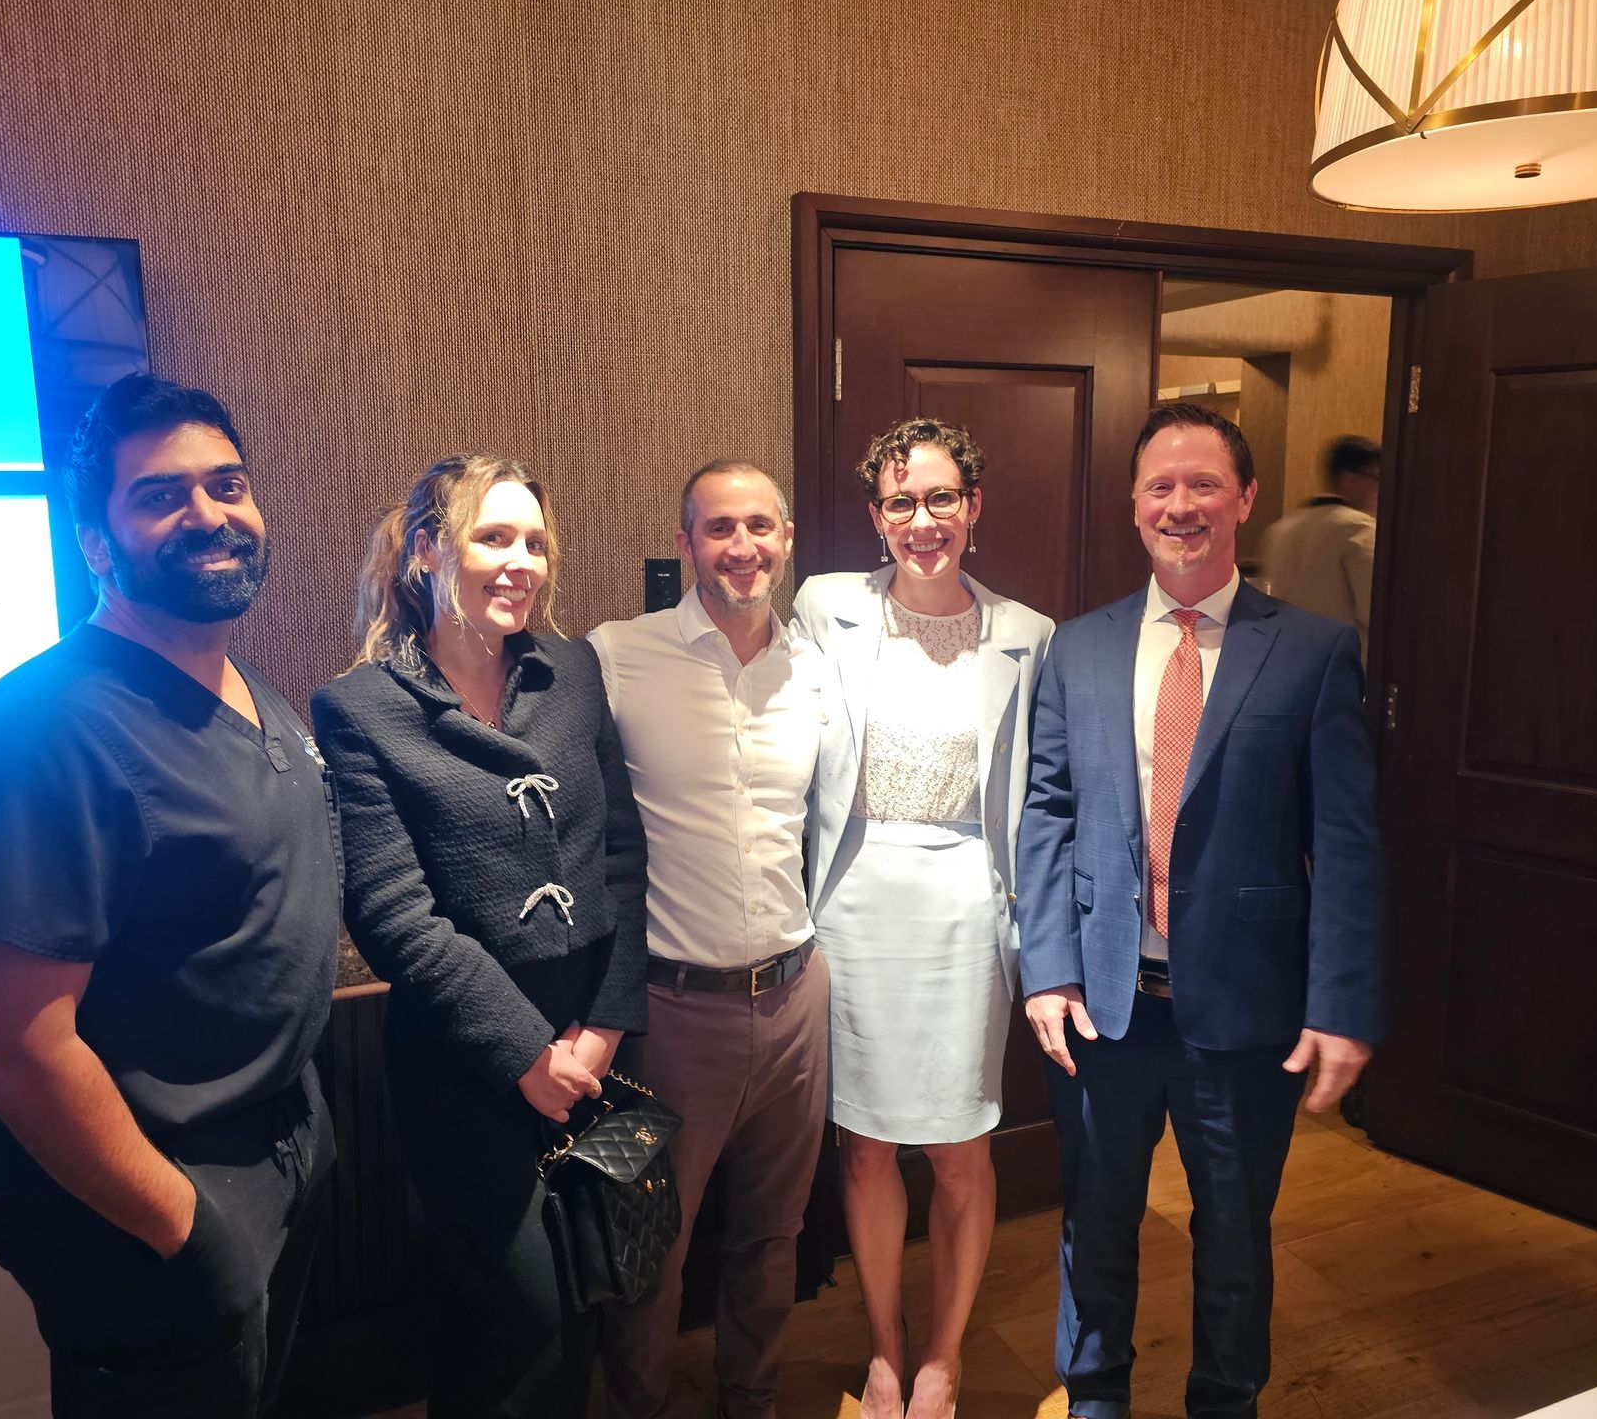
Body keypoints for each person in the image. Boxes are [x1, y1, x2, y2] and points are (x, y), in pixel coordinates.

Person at [0, 373, 340, 1418]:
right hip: (149, 1196)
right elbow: (10, 1045)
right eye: (161, 496)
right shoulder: (41, 733)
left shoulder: (254, 691)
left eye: (228, 485)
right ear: (96, 544)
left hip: (277, 1152)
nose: (208, 514)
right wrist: (183, 1226)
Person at [1016, 402, 1385, 1419]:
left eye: (1203, 484)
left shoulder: (1311, 652)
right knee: (1095, 1226)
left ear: (1245, 499)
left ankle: (1226, 1401)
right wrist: (1044, 968)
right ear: (1134, 506)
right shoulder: (1079, 650)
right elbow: (1046, 812)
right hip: (1104, 1010)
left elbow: (1347, 840)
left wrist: (1343, 1001)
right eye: (1160, 486)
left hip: (1247, 1015)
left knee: (1233, 1239)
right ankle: (1095, 1399)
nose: (1181, 505)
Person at [309, 455, 646, 1418]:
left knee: (588, 1293)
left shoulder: (572, 669)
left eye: (534, 541)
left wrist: (606, 1026)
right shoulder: (362, 707)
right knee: (518, 1308)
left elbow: (624, 855)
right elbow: (391, 913)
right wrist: (525, 1057)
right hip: (467, 1060)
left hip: (595, 1040)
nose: (521, 562)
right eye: (493, 537)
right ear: (428, 551)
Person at [790, 417, 1053, 1419]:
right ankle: (888, 1353)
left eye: (943, 498)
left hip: (964, 915)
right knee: (863, 1145)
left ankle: (945, 1356)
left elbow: (1038, 800)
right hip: (853, 910)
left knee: (959, 1148)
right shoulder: (826, 608)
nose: (923, 521)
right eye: (901, 502)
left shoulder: (1028, 637)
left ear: (975, 508)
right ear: (876, 516)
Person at [590, 460, 832, 1419]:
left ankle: (751, 1400)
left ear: (787, 537)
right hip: (662, 1010)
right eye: (719, 528)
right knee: (647, 1246)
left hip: (794, 998)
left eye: (760, 526)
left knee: (773, 1238)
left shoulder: (816, 666)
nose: (743, 547)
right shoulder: (617, 653)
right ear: (686, 542)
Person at [1258, 435, 1380, 660]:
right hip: (1341, 662)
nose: (1377, 488)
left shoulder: (1281, 529)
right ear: (1347, 479)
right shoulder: (1358, 528)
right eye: (1373, 477)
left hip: (1286, 656)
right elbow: (1374, 611)